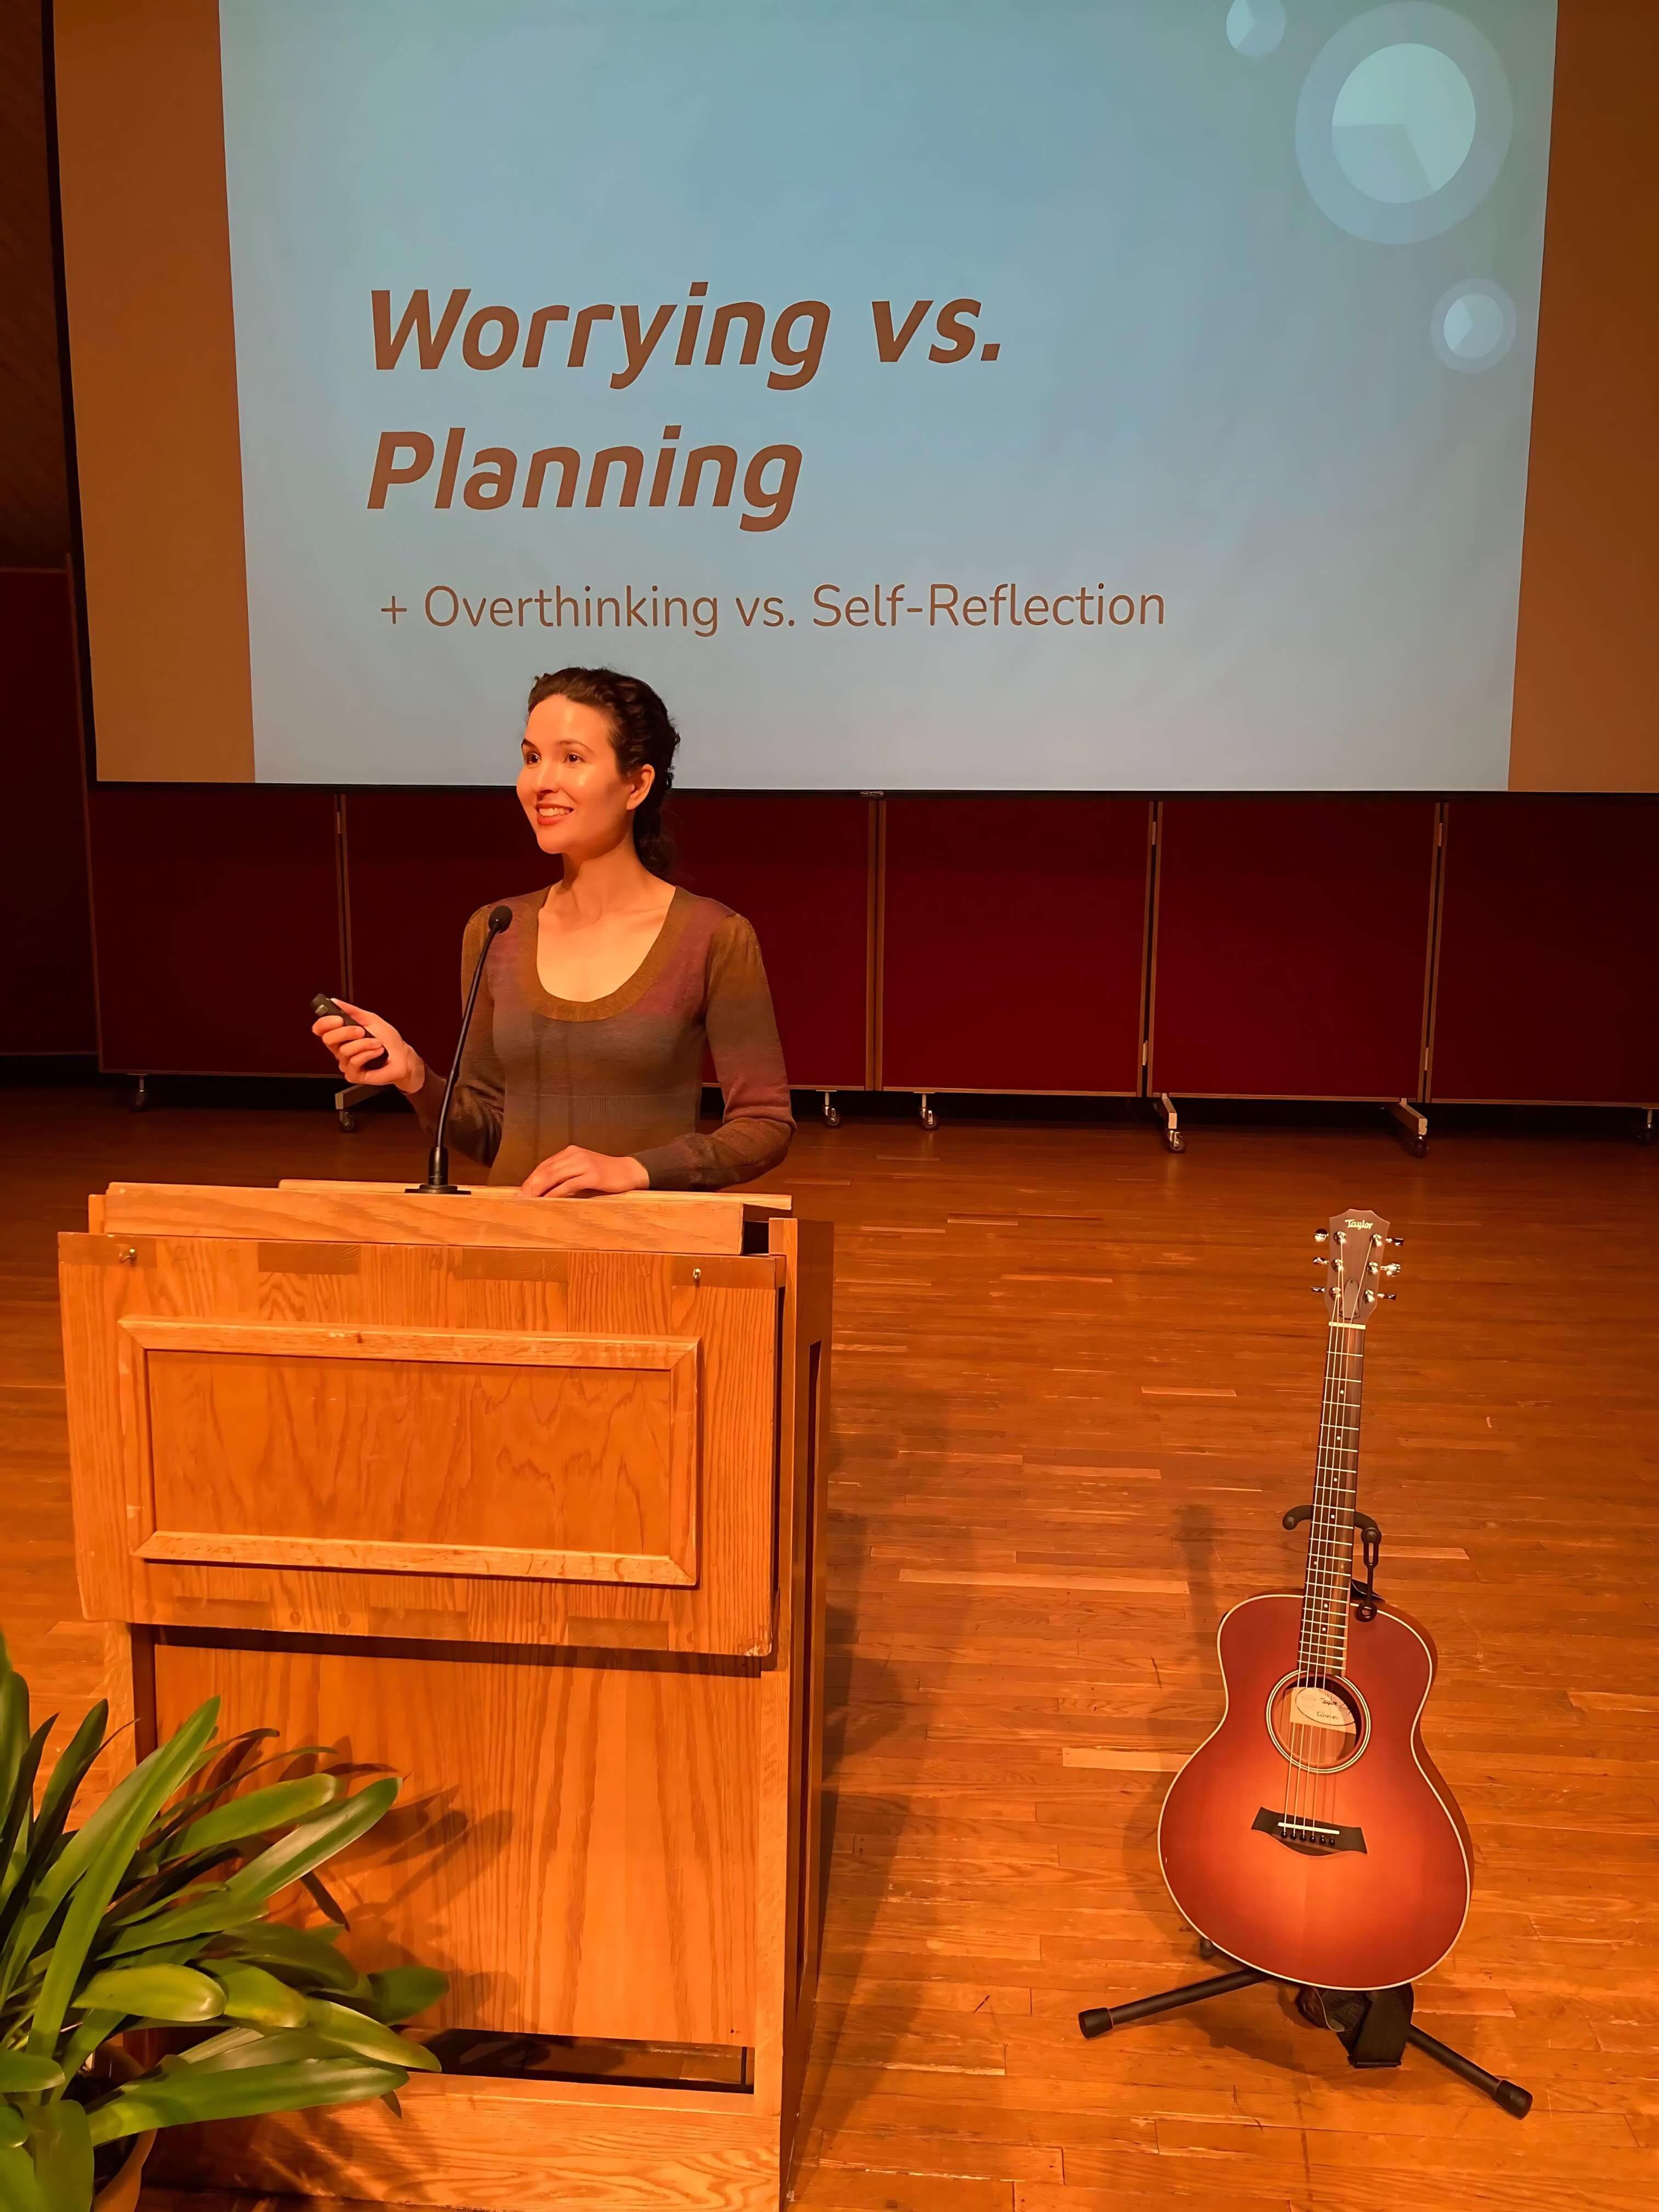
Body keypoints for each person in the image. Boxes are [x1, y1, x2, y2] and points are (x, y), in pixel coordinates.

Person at [312, 667, 793, 1194]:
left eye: (572, 758)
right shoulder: (497, 929)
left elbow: (764, 1124)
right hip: (514, 1249)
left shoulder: (714, 936)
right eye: (532, 758)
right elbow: (491, 1136)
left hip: (647, 1253)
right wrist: (414, 1078)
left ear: (637, 784)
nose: (541, 782)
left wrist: (633, 1170)